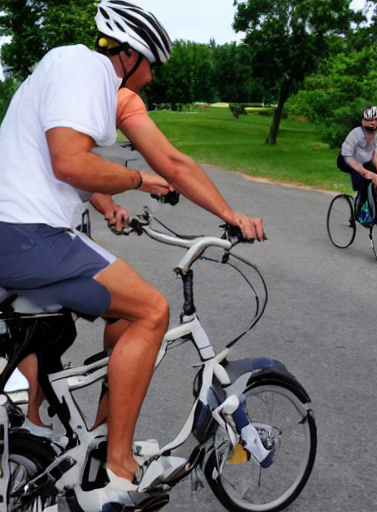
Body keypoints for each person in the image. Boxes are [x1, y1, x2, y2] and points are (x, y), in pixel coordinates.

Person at [0, 0, 264, 502]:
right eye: (152, 68)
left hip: (20, 234)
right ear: (132, 55)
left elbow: (171, 162)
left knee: (120, 321)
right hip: (29, 235)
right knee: (152, 311)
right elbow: (70, 163)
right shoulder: (83, 67)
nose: (151, 79)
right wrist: (139, 180)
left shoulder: (81, 76)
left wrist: (227, 214)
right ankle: (116, 473)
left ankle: (92, 441)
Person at [337, 106, 377, 226]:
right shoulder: (355, 135)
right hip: (347, 160)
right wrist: (368, 174)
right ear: (363, 121)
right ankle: (358, 208)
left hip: (362, 160)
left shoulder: (374, 136)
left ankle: (368, 206)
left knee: (375, 182)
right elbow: (349, 158)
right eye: (368, 120)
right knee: (361, 181)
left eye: (375, 121)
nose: (372, 124)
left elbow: (374, 152)